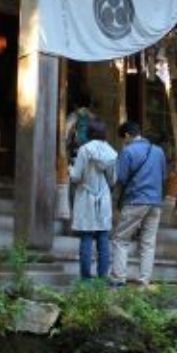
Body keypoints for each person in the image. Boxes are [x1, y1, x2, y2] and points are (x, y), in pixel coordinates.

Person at [110, 119, 166, 286]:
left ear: (127, 135)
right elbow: (163, 176)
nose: (124, 141)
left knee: (121, 239)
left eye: (123, 138)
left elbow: (121, 178)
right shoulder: (158, 151)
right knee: (148, 242)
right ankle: (144, 280)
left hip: (135, 199)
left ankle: (119, 278)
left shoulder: (128, 152)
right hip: (155, 202)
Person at [68, 118, 116, 281]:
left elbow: (76, 177)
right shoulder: (111, 152)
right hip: (103, 196)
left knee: (86, 237)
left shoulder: (84, 150)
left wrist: (70, 169)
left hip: (86, 195)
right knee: (103, 237)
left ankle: (86, 277)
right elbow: (113, 179)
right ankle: (103, 276)